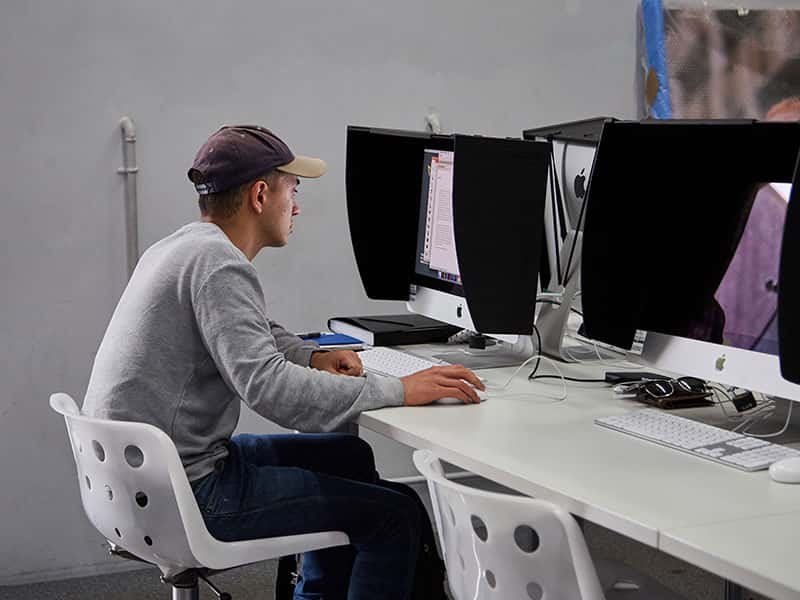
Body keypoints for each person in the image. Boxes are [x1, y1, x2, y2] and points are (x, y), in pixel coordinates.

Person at [83, 124, 485, 600]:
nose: (296, 207)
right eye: (292, 190)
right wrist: (401, 389)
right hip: (188, 492)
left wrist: (311, 355)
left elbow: (252, 330)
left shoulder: (180, 248)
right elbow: (272, 391)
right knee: (394, 517)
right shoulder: (219, 265)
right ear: (260, 195)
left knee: (350, 456)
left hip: (140, 480)